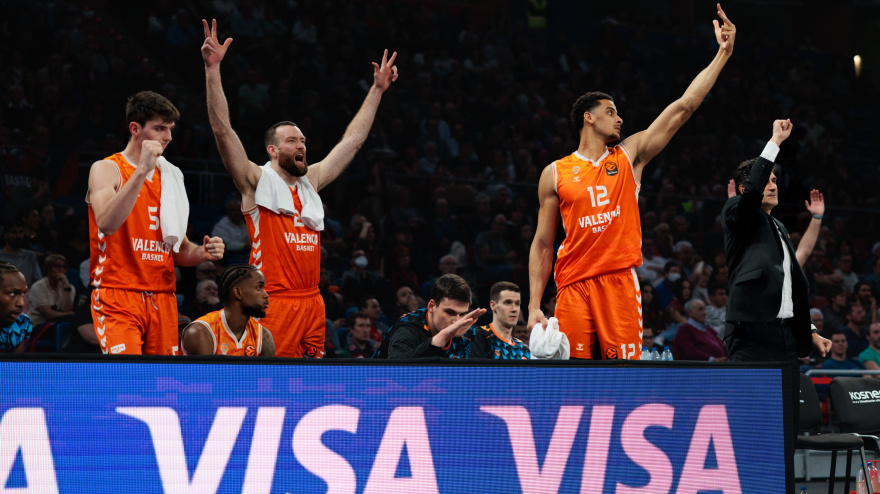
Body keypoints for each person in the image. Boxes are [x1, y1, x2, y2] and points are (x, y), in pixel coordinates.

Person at [528, 4, 737, 360]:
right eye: (611, 112)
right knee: (568, 376)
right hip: (573, 285)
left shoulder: (629, 155)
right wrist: (534, 304)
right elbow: (544, 244)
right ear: (588, 118)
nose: (620, 119)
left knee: (624, 376)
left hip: (619, 282)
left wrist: (723, 54)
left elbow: (684, 107)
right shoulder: (554, 172)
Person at [202, 19, 397, 358]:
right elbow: (222, 131)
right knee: (269, 384)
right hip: (273, 301)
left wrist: (376, 91)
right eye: (292, 140)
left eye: (303, 140)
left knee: (309, 385)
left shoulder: (312, 181)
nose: (301, 144)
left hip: (312, 301)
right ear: (273, 151)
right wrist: (212, 69)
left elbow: (351, 142)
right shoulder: (255, 180)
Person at [87, 91, 225, 355]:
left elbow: (180, 250)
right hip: (118, 293)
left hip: (163, 295)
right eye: (160, 129)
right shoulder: (106, 168)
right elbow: (106, 223)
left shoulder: (172, 176)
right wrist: (141, 171)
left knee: (162, 385)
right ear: (135, 129)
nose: (168, 137)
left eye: (170, 129)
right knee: (128, 378)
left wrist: (202, 252)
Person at [721, 119, 831, 362]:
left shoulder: (779, 227)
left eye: (775, 181)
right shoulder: (736, 212)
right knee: (751, 400)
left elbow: (790, 281)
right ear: (744, 189)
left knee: (787, 401)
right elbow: (751, 196)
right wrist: (775, 142)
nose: (773, 187)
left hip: (786, 336)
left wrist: (810, 330)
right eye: (767, 181)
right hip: (751, 331)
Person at [374, 274, 485, 359]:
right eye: (450, 312)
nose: (456, 322)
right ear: (431, 306)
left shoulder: (467, 332)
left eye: (462, 314)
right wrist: (441, 338)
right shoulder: (408, 326)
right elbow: (396, 368)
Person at [180, 264, 274, 356]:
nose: (266, 295)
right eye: (259, 288)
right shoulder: (200, 332)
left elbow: (266, 372)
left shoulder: (263, 336)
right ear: (237, 292)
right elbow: (209, 372)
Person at [472, 281, 530, 359]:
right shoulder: (479, 336)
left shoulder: (524, 349)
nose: (514, 309)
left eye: (517, 304)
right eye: (507, 302)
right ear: (493, 306)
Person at [26, 254, 75, 326]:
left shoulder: (69, 288)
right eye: (57, 266)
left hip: (57, 324)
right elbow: (49, 315)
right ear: (48, 268)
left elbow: (67, 310)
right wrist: (69, 314)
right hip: (37, 326)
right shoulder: (38, 287)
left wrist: (67, 286)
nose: (61, 270)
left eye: (64, 267)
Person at [0, 262, 32, 353]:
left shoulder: (22, 322)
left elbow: (14, 364)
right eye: (12, 293)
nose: (21, 303)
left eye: (23, 294)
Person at [0, 218, 41, 286]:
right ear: (5, 235)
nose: (18, 236)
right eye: (14, 232)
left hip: (26, 294)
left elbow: (38, 281)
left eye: (21, 232)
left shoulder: (30, 256)